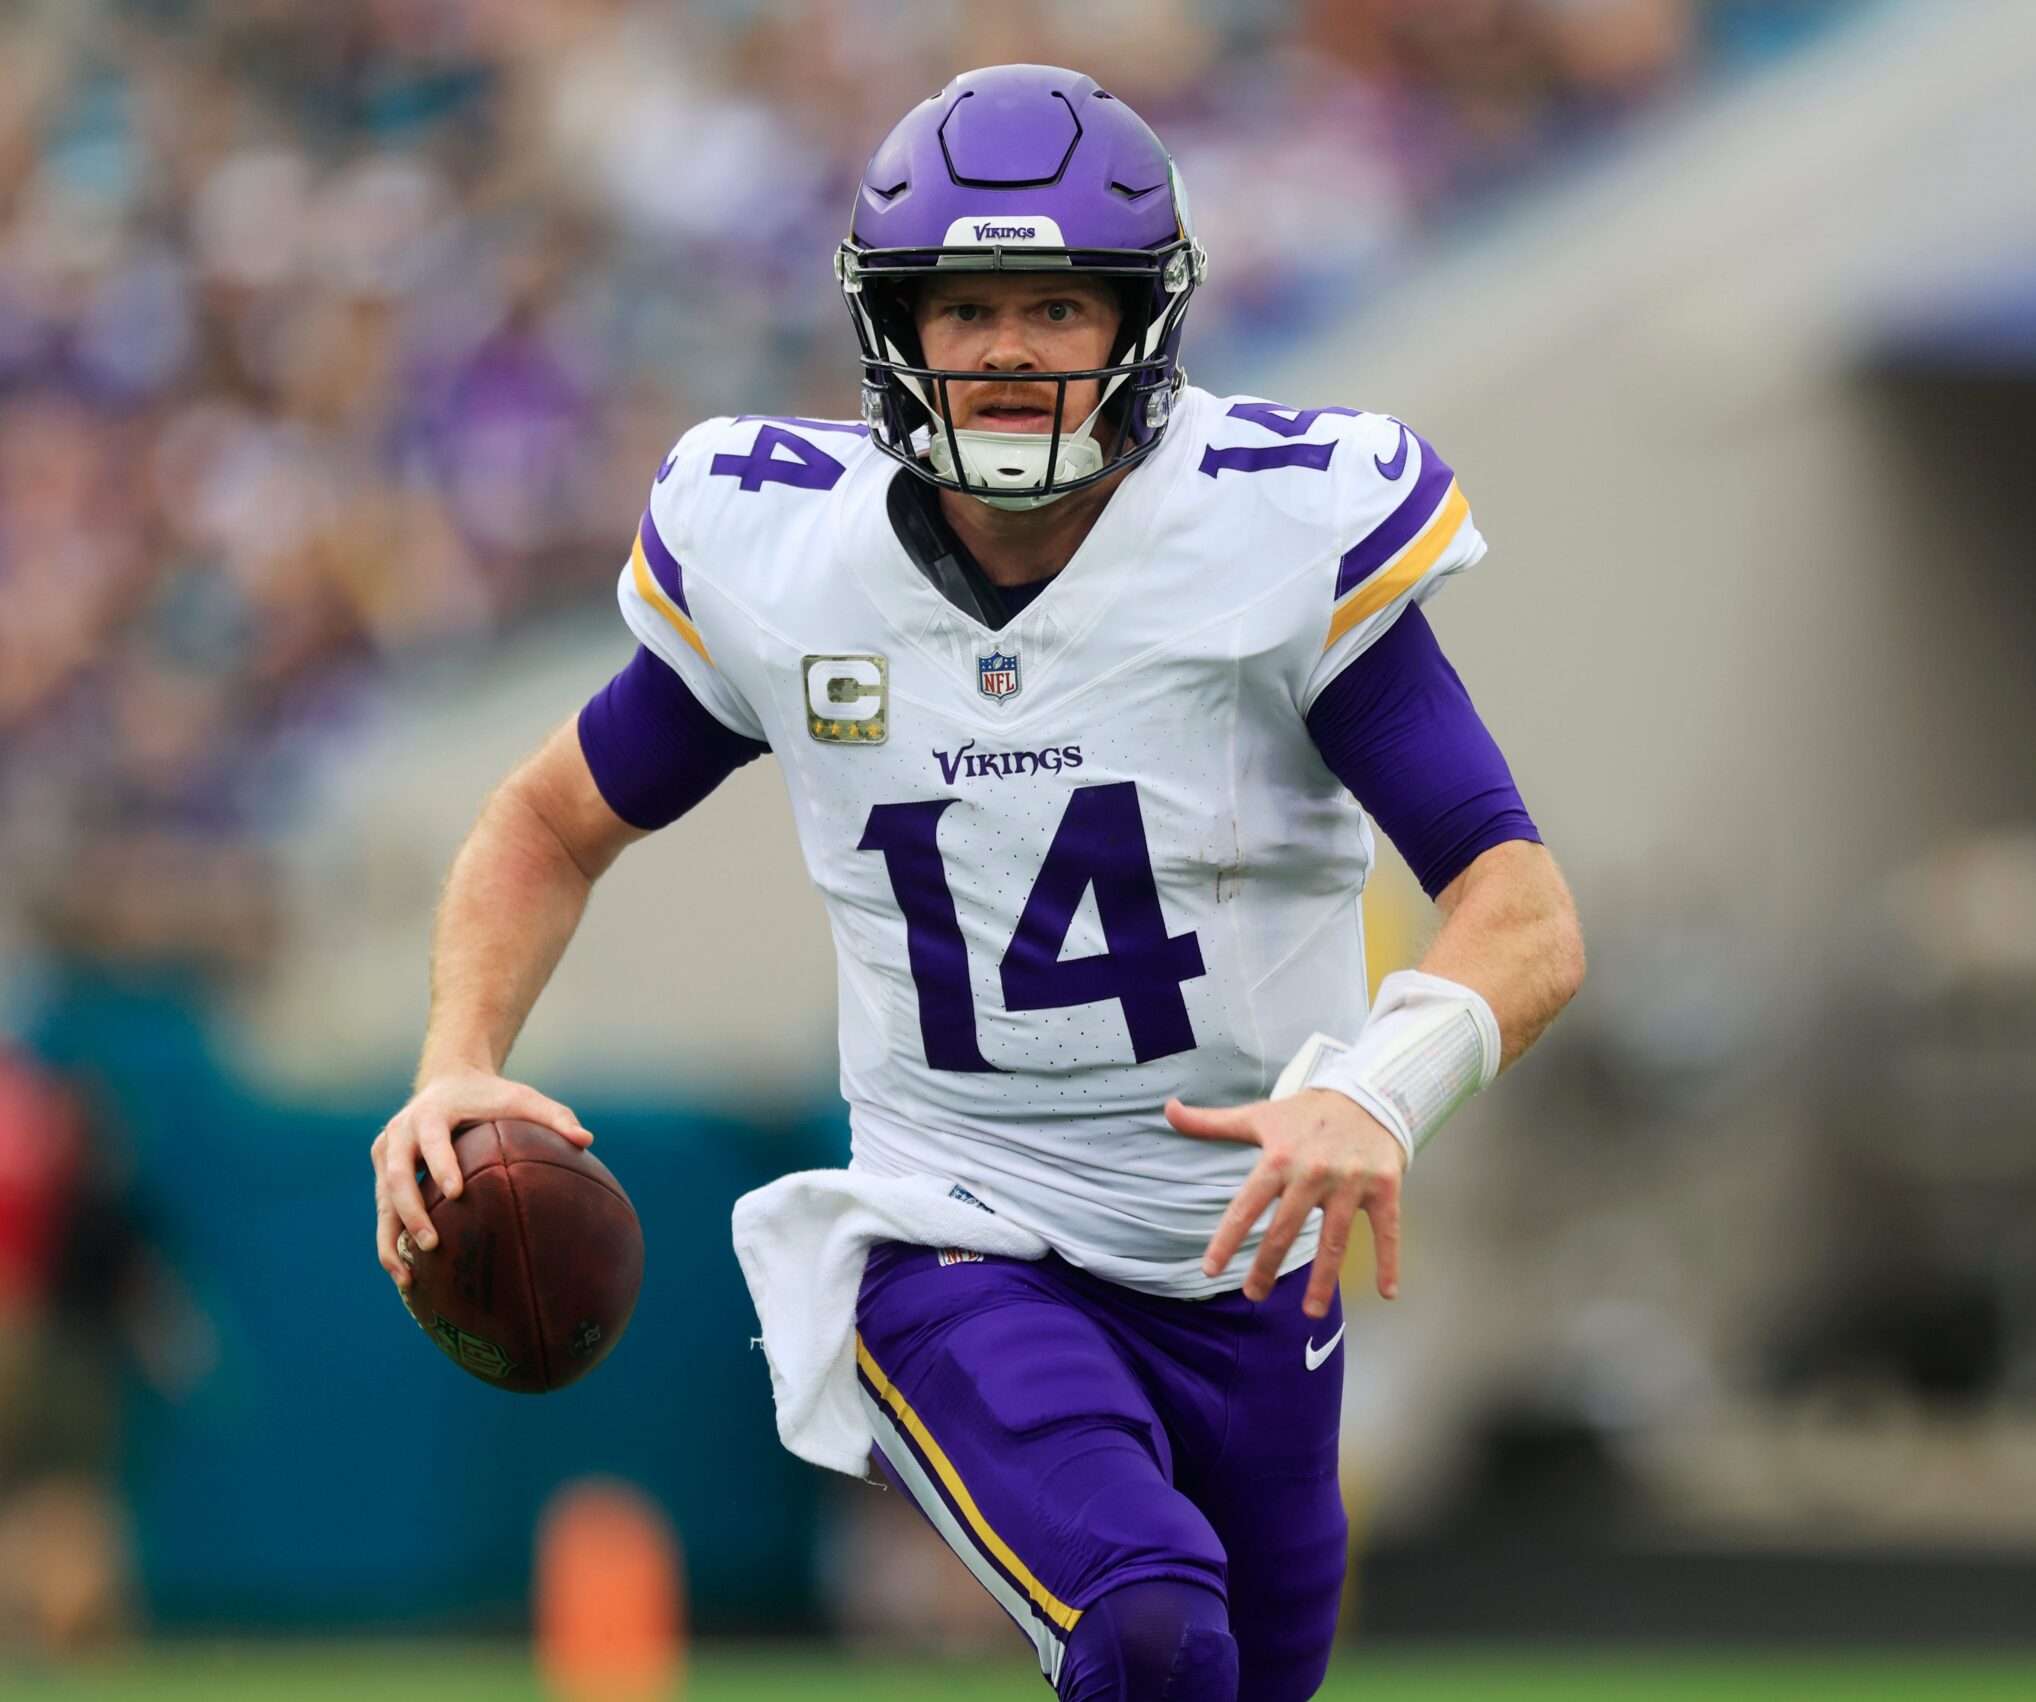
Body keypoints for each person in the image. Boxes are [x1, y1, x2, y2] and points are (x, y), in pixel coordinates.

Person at [369, 64, 1581, 1702]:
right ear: (898, 327)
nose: (1009, 350)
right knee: (1150, 1627)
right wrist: (456, 1058)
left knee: (1234, 1673)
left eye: (1056, 306)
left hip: (1247, 1265)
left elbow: (1522, 907)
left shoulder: (1271, 534)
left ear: (1141, 320)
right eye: (967, 307)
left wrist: (1380, 1089)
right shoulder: (793, 561)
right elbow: (545, 824)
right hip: (961, 1235)